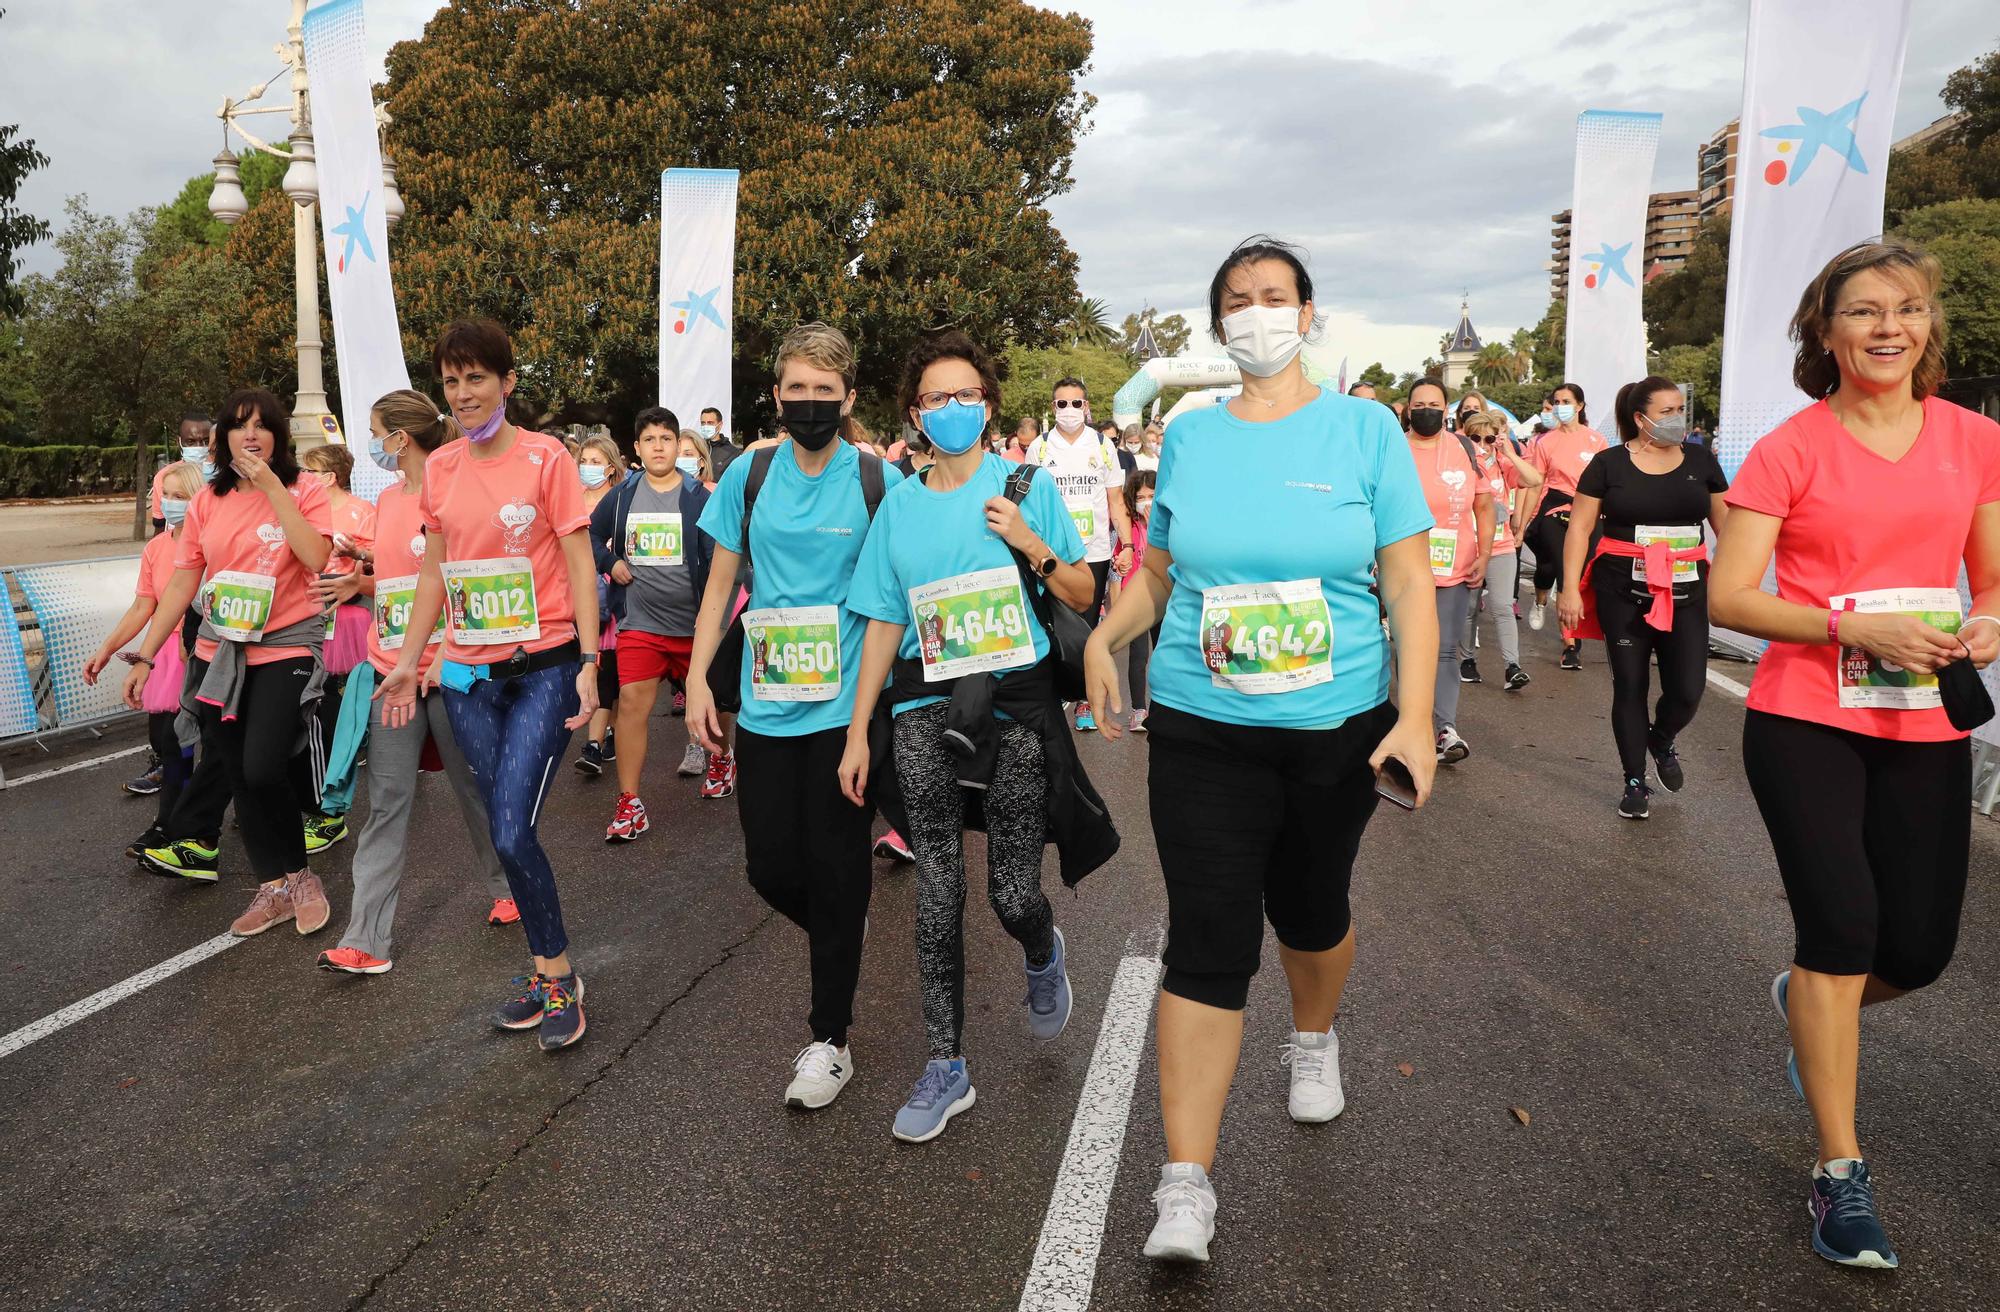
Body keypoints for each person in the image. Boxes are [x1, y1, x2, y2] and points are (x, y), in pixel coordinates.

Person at [1081, 236, 1440, 1265]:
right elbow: (1158, 572)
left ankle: (1314, 1035)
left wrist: (1411, 718)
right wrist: (1108, 633)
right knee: (1207, 933)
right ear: (1215, 324)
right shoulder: (1190, 439)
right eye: (1235, 300)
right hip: (1202, 728)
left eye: (1272, 297)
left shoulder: (1363, 429)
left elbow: (1408, 585)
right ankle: (1184, 1183)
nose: (1254, 313)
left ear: (1307, 314)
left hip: (1335, 729)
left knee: (1312, 910)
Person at [1709, 241, 2000, 1270]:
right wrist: (1847, 629)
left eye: (1909, 308)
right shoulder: (1789, 446)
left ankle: (1802, 1004)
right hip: (1804, 717)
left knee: (1913, 950)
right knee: (1838, 929)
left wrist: (1985, 625)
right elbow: (1730, 597)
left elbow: (1991, 577)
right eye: (1864, 310)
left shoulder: (1972, 439)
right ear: (1823, 329)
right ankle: (1838, 1173)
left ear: (1929, 328)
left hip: (1925, 718)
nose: (1888, 327)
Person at [839, 329, 1098, 1145]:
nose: (952, 409)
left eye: (967, 395)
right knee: (938, 886)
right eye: (935, 398)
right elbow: (882, 621)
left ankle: (1040, 946)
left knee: (1009, 891)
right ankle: (946, 1065)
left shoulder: (1028, 485)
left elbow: (1085, 592)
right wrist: (857, 732)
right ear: (914, 414)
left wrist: (1030, 541)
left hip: (1015, 706)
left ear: (988, 402)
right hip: (923, 707)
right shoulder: (901, 504)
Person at [681, 324, 905, 1110]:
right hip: (768, 706)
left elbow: (892, 604)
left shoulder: (878, 483)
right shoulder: (750, 471)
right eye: (796, 390)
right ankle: (843, 929)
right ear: (776, 395)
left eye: (824, 391)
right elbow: (719, 590)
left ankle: (829, 1039)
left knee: (837, 863)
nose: (809, 403)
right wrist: (700, 679)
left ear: (847, 397)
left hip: (845, 710)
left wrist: (863, 726)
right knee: (769, 865)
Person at [373, 320, 602, 1051]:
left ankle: (561, 978)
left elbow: (577, 563)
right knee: (509, 832)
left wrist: (593, 661)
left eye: (477, 378)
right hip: (466, 678)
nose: (464, 392)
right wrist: (413, 657)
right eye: (451, 381)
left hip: (544, 668)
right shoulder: (439, 468)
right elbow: (435, 572)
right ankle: (544, 972)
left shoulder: (547, 457)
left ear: (507, 382)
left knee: (510, 826)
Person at [314, 391, 521, 974]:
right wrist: (362, 576)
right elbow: (407, 579)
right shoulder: (386, 500)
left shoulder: (455, 489)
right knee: (386, 805)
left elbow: (462, 583)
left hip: (450, 674)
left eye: (377, 432)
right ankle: (366, 940)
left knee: (475, 792)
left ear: (399, 439)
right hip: (390, 673)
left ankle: (511, 889)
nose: (374, 445)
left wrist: (443, 655)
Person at [120, 390, 335, 936]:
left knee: (265, 765)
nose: (252, 434)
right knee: (239, 772)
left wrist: (272, 488)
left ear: (279, 437)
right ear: (224, 438)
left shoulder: (304, 489)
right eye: (240, 427)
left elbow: (315, 557)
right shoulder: (205, 502)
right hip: (220, 651)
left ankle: (301, 876)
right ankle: (273, 887)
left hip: (287, 644)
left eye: (264, 426)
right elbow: (183, 581)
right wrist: (145, 655)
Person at [1558, 376, 1729, 819]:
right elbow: (1579, 528)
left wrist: (1734, 582)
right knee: (1630, 686)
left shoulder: (1700, 460)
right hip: (1622, 589)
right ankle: (1635, 780)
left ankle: (1662, 739)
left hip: (1686, 589)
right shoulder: (1608, 464)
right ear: (1640, 418)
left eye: (1679, 410)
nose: (1677, 419)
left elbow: (1728, 527)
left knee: (1688, 690)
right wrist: (1569, 588)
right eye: (1666, 412)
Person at [592, 407, 716, 839]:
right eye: (650, 440)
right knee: (630, 706)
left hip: (694, 628)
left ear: (677, 445)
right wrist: (611, 561)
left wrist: (712, 614)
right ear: (637, 449)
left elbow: (721, 559)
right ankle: (630, 802)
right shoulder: (623, 496)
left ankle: (720, 758)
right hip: (641, 624)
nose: (659, 447)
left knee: (707, 708)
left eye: (666, 439)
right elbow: (588, 533)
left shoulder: (699, 497)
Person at [89, 461, 204, 853]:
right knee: (165, 740)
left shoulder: (210, 541)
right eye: (166, 495)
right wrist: (106, 650)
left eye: (180, 496)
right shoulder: (156, 547)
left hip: (200, 650)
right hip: (163, 653)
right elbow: (143, 607)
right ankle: (177, 821)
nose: (171, 503)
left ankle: (174, 825)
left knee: (185, 742)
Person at [1029, 377, 1133, 731]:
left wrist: (1128, 545)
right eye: (1062, 404)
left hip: (1095, 552)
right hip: (1051, 555)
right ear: (1052, 407)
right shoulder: (1040, 448)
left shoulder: (1103, 446)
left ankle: (1086, 703)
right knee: (1051, 625)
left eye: (1076, 404)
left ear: (1086, 407)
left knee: (1087, 629)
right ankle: (1053, 694)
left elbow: (1116, 501)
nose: (1069, 410)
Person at [1404, 379, 1493, 763]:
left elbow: (1485, 506)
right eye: (1418, 403)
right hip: (1403, 569)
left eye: (1434, 403)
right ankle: (1409, 723)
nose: (1426, 410)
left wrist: (1484, 553)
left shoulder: (1464, 448)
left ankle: (1444, 729)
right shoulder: (1392, 450)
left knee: (1443, 651)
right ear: (1408, 410)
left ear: (1446, 409)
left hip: (1453, 568)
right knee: (1406, 650)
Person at [298, 442, 377, 854]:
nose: (300, 475)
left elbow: (378, 562)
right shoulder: (303, 508)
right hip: (306, 614)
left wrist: (353, 568)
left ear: (329, 476)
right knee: (313, 704)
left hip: (347, 615)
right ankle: (313, 795)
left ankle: (331, 807)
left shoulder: (360, 510)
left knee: (338, 705)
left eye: (307, 469)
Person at [1524, 381, 1609, 670]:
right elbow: (1535, 484)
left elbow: (1607, 484)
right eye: (1556, 402)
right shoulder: (1545, 442)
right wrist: (1522, 522)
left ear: (1580, 406)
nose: (1560, 407)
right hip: (1554, 511)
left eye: (1566, 401)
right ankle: (1571, 644)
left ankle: (1549, 604)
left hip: (1588, 513)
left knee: (1583, 573)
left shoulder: (1596, 441)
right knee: (1563, 571)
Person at [1457, 409, 1541, 692]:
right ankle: (1466, 660)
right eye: (1475, 438)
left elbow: (1534, 479)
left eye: (1488, 438)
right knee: (1469, 608)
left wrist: (1509, 452)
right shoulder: (1460, 464)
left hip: (1501, 547)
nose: (1482, 443)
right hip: (1468, 547)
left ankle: (1512, 667)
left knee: (1503, 607)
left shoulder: (1501, 463)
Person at [571, 434, 624, 776]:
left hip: (611, 595)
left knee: (610, 671)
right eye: (583, 461)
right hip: (577, 594)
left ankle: (594, 743)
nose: (587, 468)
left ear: (610, 466)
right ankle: (611, 733)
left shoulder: (618, 501)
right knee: (604, 672)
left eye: (594, 461)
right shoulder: (571, 500)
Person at [1109, 468, 1157, 731]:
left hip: (1163, 599)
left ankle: (1162, 708)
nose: (1146, 501)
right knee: (1138, 656)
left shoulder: (1167, 525)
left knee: (1162, 653)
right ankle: (1139, 709)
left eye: (1151, 495)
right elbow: (1116, 567)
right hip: (1135, 599)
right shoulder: (1127, 528)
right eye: (1141, 496)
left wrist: (1155, 526)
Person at [699, 406, 738, 478]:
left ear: (720, 425)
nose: (706, 426)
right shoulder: (698, 448)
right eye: (703, 423)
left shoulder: (733, 453)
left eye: (710, 423)